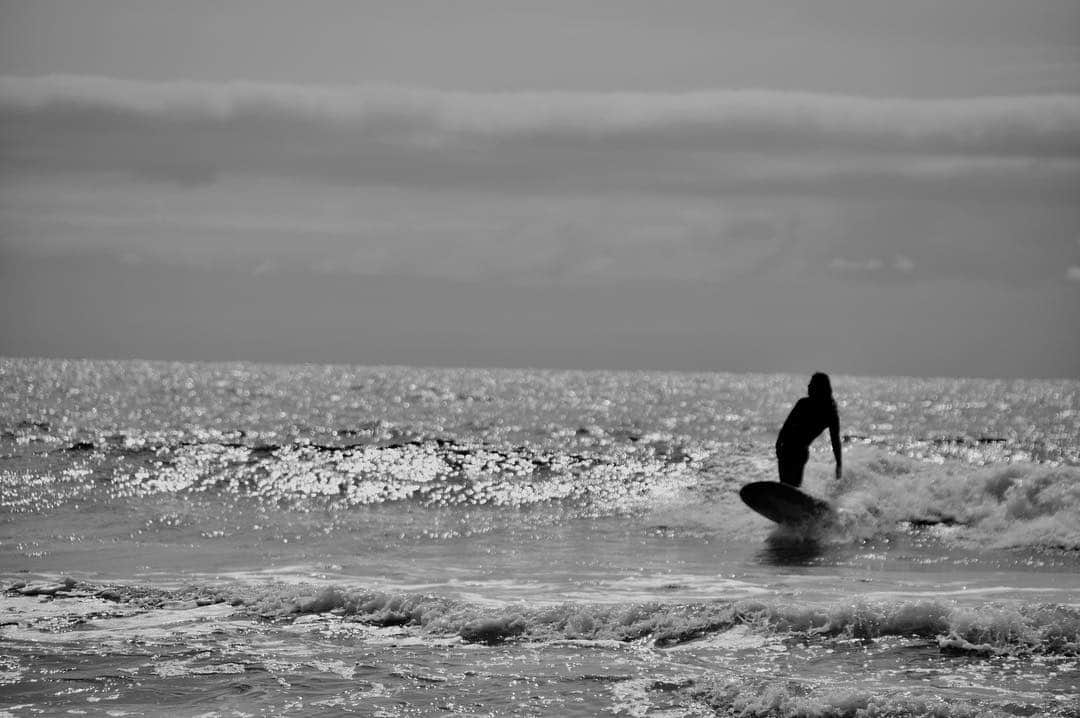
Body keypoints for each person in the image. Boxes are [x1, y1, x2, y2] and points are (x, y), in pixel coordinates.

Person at [775, 372, 841, 488]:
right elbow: (786, 426)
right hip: (787, 449)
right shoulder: (804, 404)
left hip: (799, 453)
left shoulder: (829, 412)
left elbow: (835, 440)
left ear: (819, 388)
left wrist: (838, 464)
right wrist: (778, 445)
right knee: (786, 486)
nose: (808, 386)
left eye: (811, 384)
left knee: (791, 487)